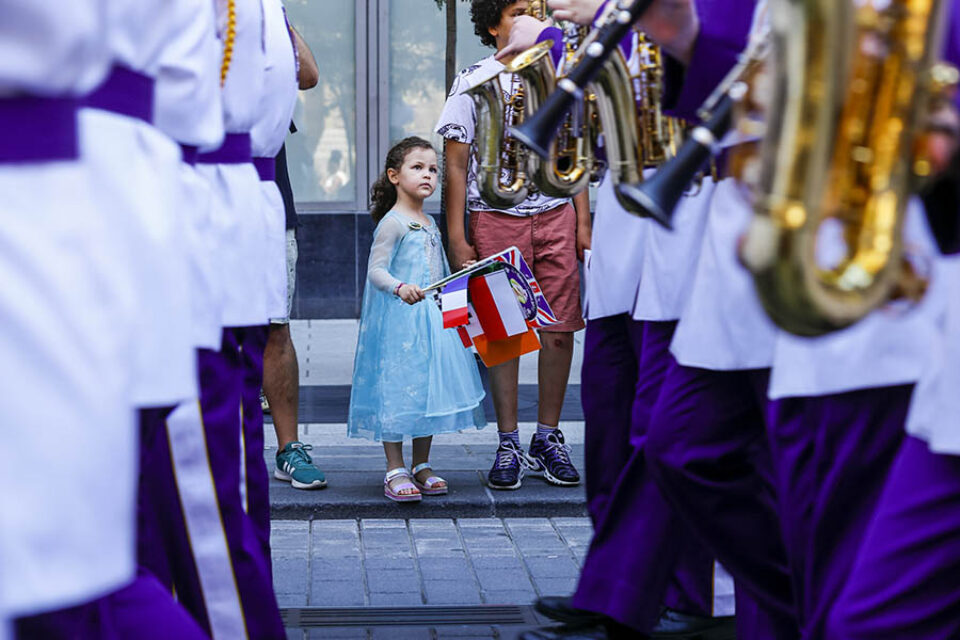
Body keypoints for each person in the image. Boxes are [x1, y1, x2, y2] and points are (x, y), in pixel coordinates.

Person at [437, 0, 591, 493]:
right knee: (502, 337)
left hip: (555, 217)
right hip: (494, 221)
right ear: (491, 25)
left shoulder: (560, 73)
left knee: (560, 332)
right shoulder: (473, 79)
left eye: (537, 8)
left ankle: (548, 437)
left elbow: (577, 154)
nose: (533, 16)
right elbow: (456, 164)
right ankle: (508, 441)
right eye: (519, 10)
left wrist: (582, 224)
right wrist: (457, 235)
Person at [348, 136, 487, 503]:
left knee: (428, 392)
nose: (428, 175)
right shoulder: (393, 223)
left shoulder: (428, 221)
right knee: (396, 390)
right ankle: (395, 466)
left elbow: (437, 272)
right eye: (418, 167)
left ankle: (422, 463)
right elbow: (375, 271)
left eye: (433, 169)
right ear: (394, 176)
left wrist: (462, 275)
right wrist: (399, 287)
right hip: (400, 324)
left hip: (431, 324)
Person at [267, 26, 329, 492]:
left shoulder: (268, 24)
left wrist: (278, 18)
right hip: (202, 200)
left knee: (277, 328)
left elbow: (308, 74)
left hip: (270, 206)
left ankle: (288, 447)